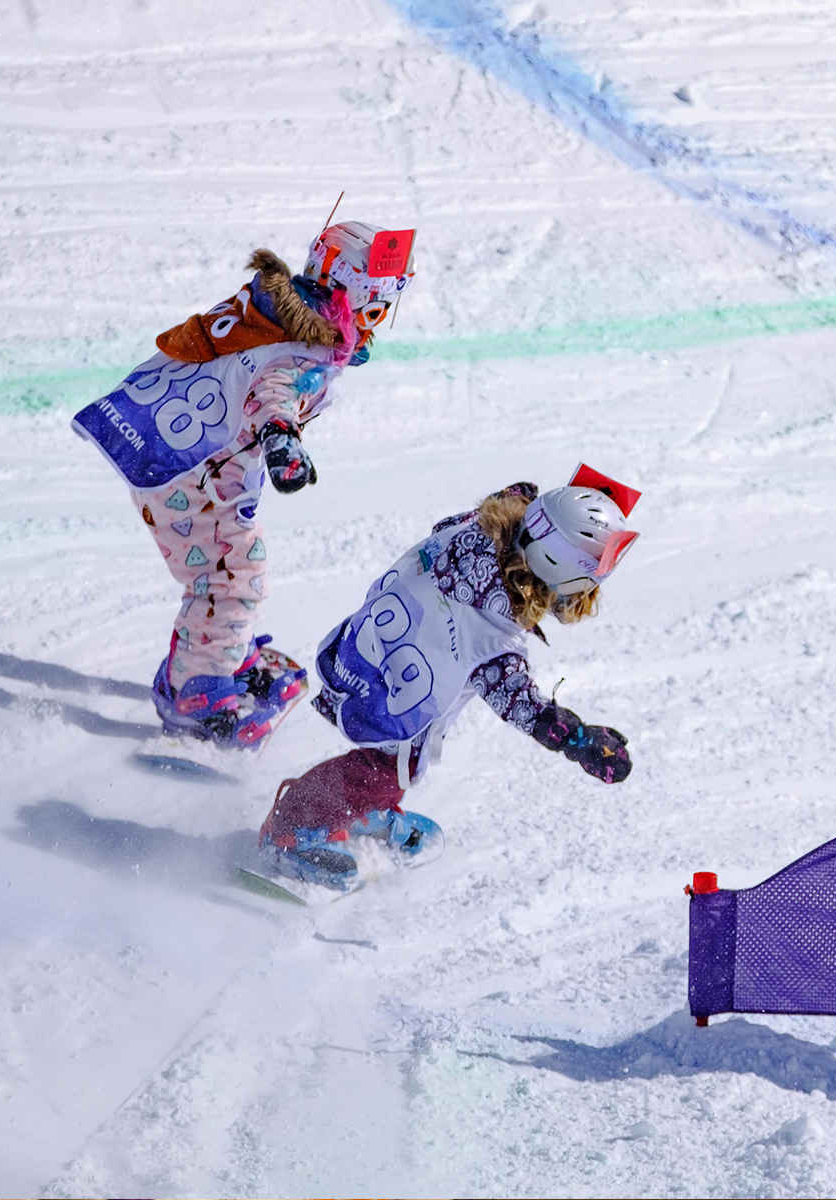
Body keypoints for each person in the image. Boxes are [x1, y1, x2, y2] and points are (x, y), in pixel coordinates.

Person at [72, 220, 416, 747]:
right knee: (231, 577)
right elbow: (275, 394)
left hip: (180, 457)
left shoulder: (271, 312)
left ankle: (221, 649)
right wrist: (282, 442)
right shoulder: (300, 349)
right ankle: (195, 695)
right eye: (373, 312)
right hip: (192, 479)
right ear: (347, 294)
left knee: (230, 568)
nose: (374, 327)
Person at [259, 468, 641, 890]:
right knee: (387, 769)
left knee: (395, 767)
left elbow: (516, 496)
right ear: (558, 573)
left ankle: (358, 808)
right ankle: (291, 829)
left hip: (366, 644)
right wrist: (579, 740)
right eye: (582, 587)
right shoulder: (491, 632)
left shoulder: (479, 526)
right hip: (391, 688)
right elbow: (521, 703)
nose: (580, 600)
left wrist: (554, 503)